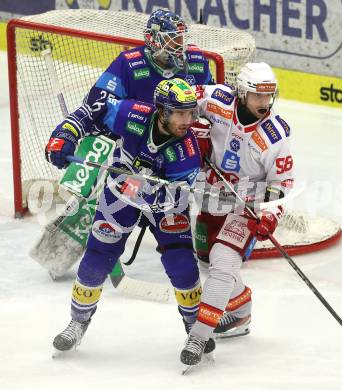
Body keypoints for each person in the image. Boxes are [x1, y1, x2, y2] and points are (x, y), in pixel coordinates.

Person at [46, 78, 215, 354]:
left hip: (166, 206)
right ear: (162, 111)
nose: (188, 120)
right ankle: (78, 322)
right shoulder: (132, 113)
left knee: (182, 263)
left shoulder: (187, 152)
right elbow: (91, 112)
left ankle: (195, 330)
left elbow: (175, 199)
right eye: (180, 112)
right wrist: (66, 135)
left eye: (191, 112)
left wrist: (142, 188)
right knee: (97, 256)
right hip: (119, 197)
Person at [180, 63, 295, 366]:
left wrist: (269, 214)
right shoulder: (216, 99)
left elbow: (282, 182)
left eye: (269, 96)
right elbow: (180, 100)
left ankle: (198, 337)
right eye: (258, 96)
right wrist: (194, 126)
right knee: (206, 260)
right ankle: (240, 311)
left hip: (247, 205)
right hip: (210, 196)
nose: (264, 103)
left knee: (222, 262)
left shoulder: (275, 134)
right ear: (241, 93)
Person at [57, 9, 213, 143]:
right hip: (135, 145)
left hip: (184, 144)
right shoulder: (129, 63)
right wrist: (66, 133)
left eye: (181, 38)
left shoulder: (196, 60)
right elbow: (94, 106)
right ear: (153, 40)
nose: (180, 46)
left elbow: (213, 105)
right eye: (172, 39)